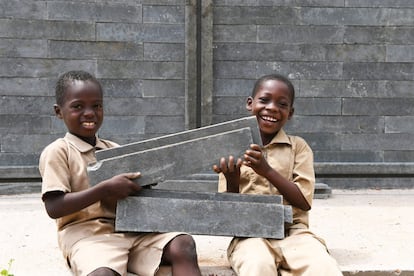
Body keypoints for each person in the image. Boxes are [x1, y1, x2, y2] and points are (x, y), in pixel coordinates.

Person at [39, 70, 201, 276]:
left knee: (183, 244)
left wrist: (144, 183)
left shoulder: (113, 149)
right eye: (78, 106)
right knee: (103, 274)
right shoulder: (58, 151)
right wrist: (104, 189)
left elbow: (133, 195)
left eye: (96, 106)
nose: (89, 113)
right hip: (87, 237)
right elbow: (54, 207)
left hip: (130, 231)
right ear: (58, 111)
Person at [213, 74, 343, 276]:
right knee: (257, 266)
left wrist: (266, 171)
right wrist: (232, 180)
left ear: (290, 113)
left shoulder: (298, 147)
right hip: (250, 235)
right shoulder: (232, 148)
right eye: (264, 100)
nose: (272, 108)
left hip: (294, 233)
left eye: (281, 104)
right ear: (250, 103)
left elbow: (303, 201)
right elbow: (229, 214)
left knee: (323, 268)